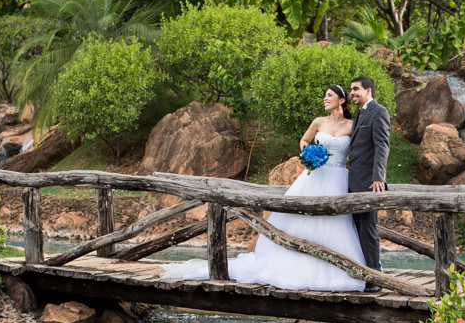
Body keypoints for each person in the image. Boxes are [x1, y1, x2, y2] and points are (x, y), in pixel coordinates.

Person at [159, 85, 367, 291]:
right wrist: (309, 153)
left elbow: (360, 151)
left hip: (338, 178)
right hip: (314, 176)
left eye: (329, 95)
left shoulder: (351, 126)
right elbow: (304, 140)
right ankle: (295, 266)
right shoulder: (318, 122)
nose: (324, 99)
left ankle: (338, 269)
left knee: (336, 224)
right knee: (301, 221)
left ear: (341, 100)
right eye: (324, 96)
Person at [347, 76, 391, 292]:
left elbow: (382, 146)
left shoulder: (379, 112)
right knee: (356, 229)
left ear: (368, 90)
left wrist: (378, 178)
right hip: (353, 182)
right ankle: (362, 272)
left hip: (369, 183)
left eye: (356, 89)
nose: (352, 93)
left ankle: (374, 276)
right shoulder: (359, 113)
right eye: (351, 90)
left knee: (368, 229)